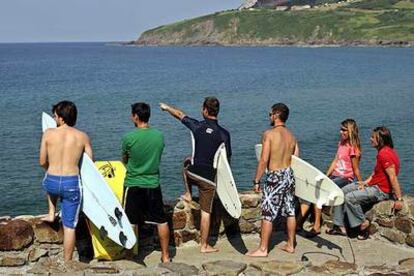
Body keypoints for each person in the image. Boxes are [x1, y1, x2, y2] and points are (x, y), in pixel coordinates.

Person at [160, 97, 231, 253]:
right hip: (208, 180)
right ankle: (204, 246)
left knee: (186, 163)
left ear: (205, 110)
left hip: (193, 174)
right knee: (206, 213)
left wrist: (166, 107)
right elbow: (227, 161)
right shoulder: (224, 134)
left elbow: (179, 114)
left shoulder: (197, 126)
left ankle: (188, 193)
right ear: (217, 111)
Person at [327, 126, 403, 239]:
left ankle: (362, 225)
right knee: (341, 192)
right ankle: (338, 225)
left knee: (349, 198)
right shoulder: (382, 152)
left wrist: (399, 199)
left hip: (381, 190)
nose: (370, 139)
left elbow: (392, 177)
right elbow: (376, 173)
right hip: (373, 185)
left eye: (373, 137)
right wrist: (365, 183)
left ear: (380, 140)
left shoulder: (385, 154)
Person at [39, 101, 93, 261]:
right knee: (69, 227)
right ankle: (68, 262)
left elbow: (42, 162)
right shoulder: (82, 136)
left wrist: (52, 168)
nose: (54, 118)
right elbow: (90, 164)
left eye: (55, 115)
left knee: (49, 182)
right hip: (71, 184)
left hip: (51, 182)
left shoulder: (48, 133)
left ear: (61, 118)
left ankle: (51, 213)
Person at [246, 103, 299, 257]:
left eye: (270, 114)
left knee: (267, 213)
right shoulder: (292, 136)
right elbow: (296, 160)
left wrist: (257, 180)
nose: (269, 116)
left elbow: (263, 160)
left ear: (276, 115)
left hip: (275, 176)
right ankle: (290, 244)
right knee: (290, 211)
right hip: (289, 175)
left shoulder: (269, 134)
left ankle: (263, 249)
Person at [122, 102, 170, 263]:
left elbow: (125, 160)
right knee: (161, 220)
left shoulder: (129, 138)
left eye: (132, 114)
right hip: (153, 183)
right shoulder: (159, 136)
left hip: (133, 183)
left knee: (131, 221)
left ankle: (130, 256)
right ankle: (165, 255)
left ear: (136, 116)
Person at [300, 119, 363, 237]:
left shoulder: (353, 148)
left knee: (318, 192)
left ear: (350, 131)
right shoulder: (341, 144)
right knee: (315, 188)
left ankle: (317, 226)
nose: (341, 132)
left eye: (344, 130)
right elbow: (335, 161)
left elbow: (356, 169)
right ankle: (312, 223)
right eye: (341, 129)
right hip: (335, 175)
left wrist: (360, 183)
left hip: (345, 178)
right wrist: (326, 175)